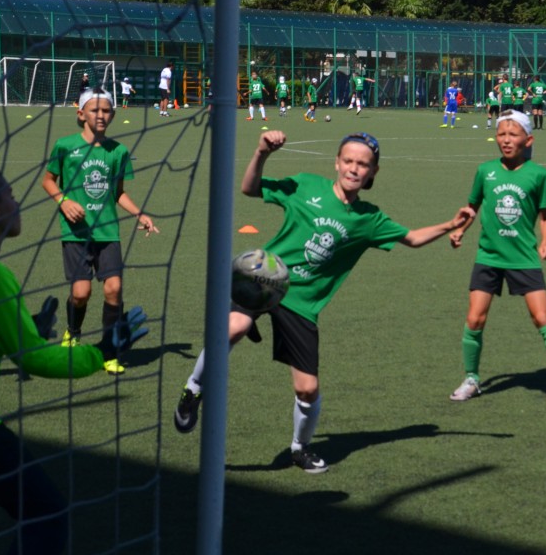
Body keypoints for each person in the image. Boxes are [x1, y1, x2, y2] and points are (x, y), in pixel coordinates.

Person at [171, 132, 473, 473]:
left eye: (363, 164)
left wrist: (451, 224)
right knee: (233, 327)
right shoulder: (306, 186)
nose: (354, 169)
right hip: (265, 279)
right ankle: (194, 389)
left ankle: (300, 448)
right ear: (337, 163)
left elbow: (412, 239)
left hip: (302, 304)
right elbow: (250, 188)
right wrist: (261, 153)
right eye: (349, 161)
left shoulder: (369, 220)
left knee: (308, 388)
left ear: (373, 172)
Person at [0, 164, 146, 555]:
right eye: (9, 193)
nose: (17, 200)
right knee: (47, 515)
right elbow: (34, 361)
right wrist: (103, 350)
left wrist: (29, 330)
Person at [447, 112, 546, 408]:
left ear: (528, 140)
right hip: (489, 257)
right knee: (474, 319)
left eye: (513, 134)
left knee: (542, 317)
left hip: (523, 258)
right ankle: (472, 378)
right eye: (501, 134)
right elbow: (471, 208)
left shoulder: (538, 174)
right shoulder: (485, 171)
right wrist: (460, 230)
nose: (506, 140)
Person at [40, 90, 160, 373]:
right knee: (81, 293)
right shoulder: (65, 146)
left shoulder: (117, 151)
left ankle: (110, 349)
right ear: (81, 114)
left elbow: (118, 193)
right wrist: (64, 201)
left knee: (114, 289)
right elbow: (48, 181)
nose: (101, 115)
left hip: (108, 231)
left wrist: (139, 214)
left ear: (113, 115)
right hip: (76, 233)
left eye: (107, 111)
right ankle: (73, 331)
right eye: (94, 110)